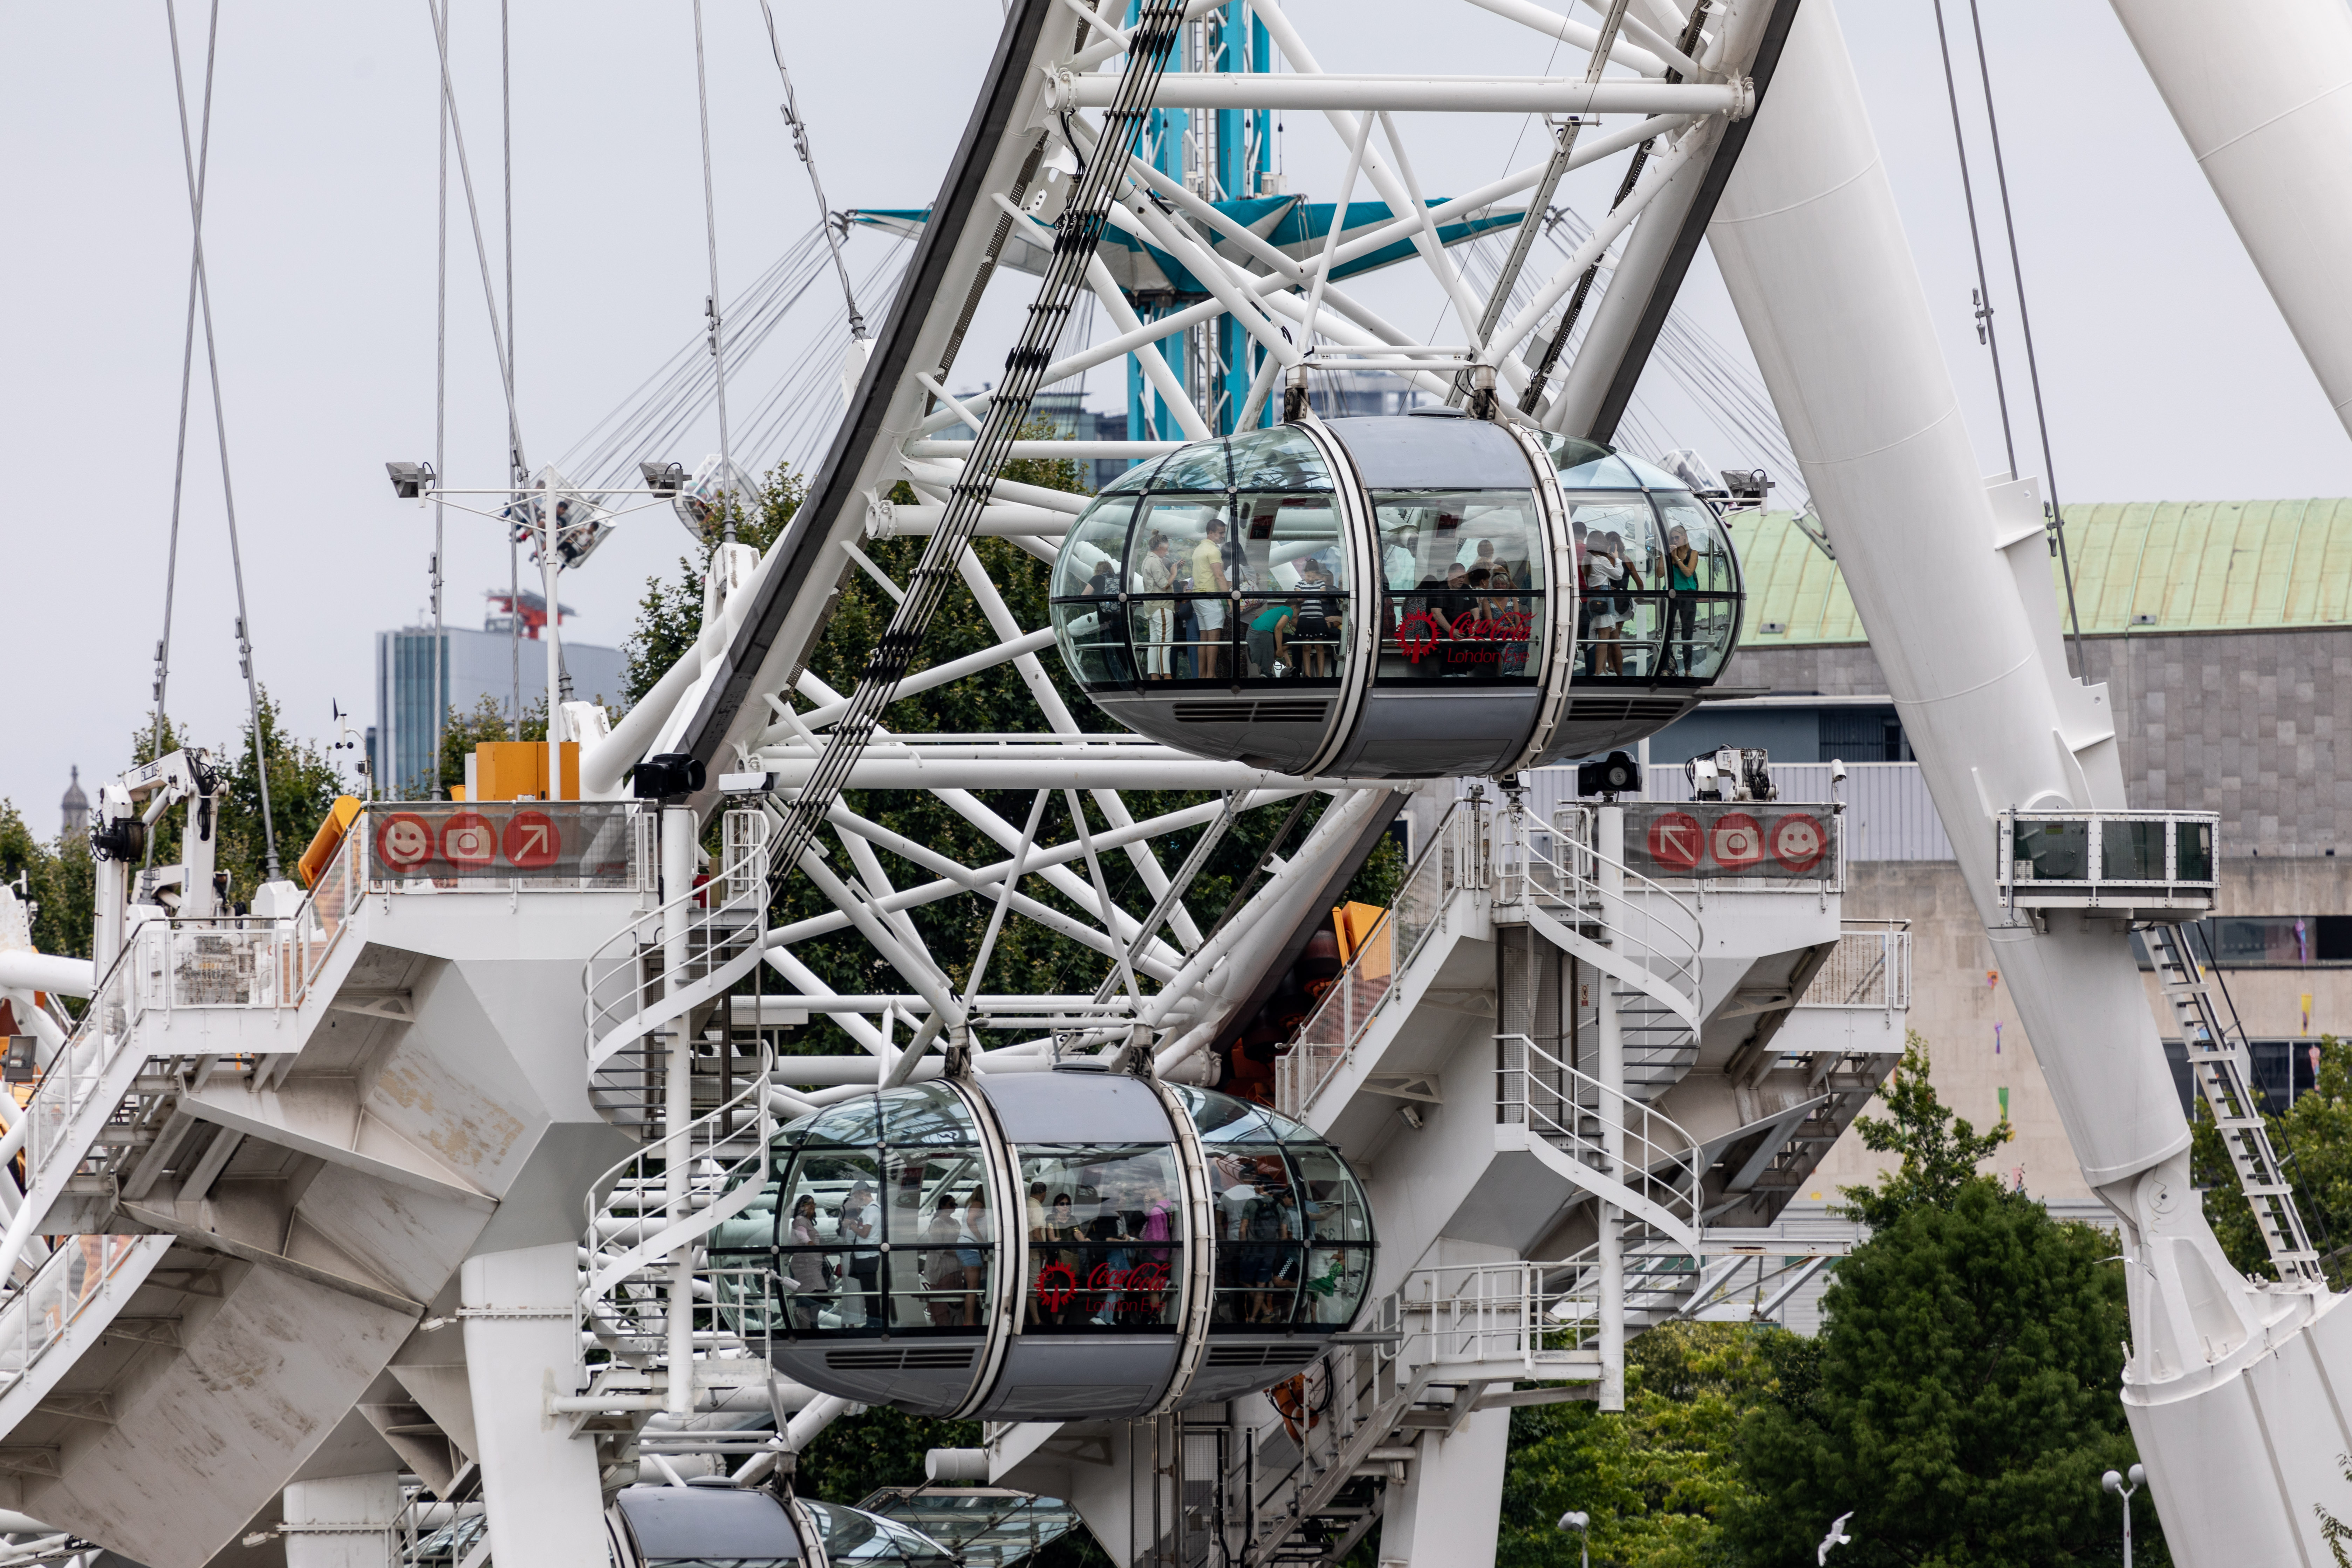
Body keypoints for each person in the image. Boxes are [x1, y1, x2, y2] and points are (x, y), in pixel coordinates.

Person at [1032, 1192, 1088, 1327]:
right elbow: (1050, 1232)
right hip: (1055, 1261)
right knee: (1055, 1290)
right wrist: (1053, 1240)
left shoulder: (1072, 1219)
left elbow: (1077, 1232)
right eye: (1062, 1204)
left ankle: (1060, 1322)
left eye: (1067, 1204)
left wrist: (1084, 1240)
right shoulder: (1051, 1218)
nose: (1065, 1206)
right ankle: (1053, 1319)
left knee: (1067, 1291)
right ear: (1056, 1206)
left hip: (1070, 1261)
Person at [1191, 519, 1232, 680]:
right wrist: (1229, 599)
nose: (1222, 536)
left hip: (1197, 597)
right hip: (1210, 598)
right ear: (1211, 533)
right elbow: (1219, 575)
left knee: (1204, 639)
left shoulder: (1199, 549)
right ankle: (1211, 675)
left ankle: (1202, 675)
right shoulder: (1214, 550)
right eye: (1220, 533)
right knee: (1214, 640)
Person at [1135, 532, 1176, 679]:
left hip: (1152, 607)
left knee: (1155, 642)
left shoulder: (1148, 560)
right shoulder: (1155, 561)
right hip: (1162, 606)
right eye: (1167, 548)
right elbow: (1164, 585)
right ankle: (1167, 676)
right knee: (1165, 642)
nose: (1167, 551)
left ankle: (1154, 675)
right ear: (1160, 547)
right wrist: (1174, 574)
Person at [840, 1182, 881, 1328]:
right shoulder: (873, 1209)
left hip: (866, 1257)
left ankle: (873, 1322)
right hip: (867, 1256)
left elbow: (864, 1234)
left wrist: (850, 1225)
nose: (855, 1200)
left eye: (855, 1196)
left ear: (861, 1194)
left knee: (869, 1292)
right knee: (869, 1291)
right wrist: (855, 1223)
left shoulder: (871, 1210)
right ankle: (873, 1321)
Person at [1585, 531, 1626, 676]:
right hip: (1604, 598)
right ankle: (1599, 673)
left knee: (1601, 637)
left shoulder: (1588, 560)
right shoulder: (1602, 560)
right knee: (1604, 639)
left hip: (1593, 598)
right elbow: (1618, 575)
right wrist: (1617, 559)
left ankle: (1603, 670)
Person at [786, 1194, 829, 1330]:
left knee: (813, 1294)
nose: (812, 1206)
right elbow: (804, 1239)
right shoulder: (800, 1221)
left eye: (813, 1204)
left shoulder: (807, 1221)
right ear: (801, 1206)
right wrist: (819, 1249)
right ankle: (809, 1327)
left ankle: (809, 1326)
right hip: (805, 1265)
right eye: (808, 1204)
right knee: (812, 1292)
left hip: (813, 1264)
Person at [922, 1195, 966, 1327]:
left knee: (956, 1302)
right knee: (943, 1304)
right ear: (943, 1206)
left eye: (955, 1205)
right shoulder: (937, 1223)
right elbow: (937, 1247)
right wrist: (956, 1252)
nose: (954, 1207)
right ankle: (943, 1328)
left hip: (956, 1267)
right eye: (951, 1204)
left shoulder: (956, 1222)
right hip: (942, 1268)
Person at [1663, 522, 1700, 675]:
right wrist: (1665, 556)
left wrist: (1677, 559)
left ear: (1685, 537)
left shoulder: (1693, 553)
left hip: (1687, 595)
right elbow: (1660, 574)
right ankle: (1666, 667)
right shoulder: (1669, 554)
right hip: (1670, 595)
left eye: (1677, 538)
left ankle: (1688, 670)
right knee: (1667, 632)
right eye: (1672, 539)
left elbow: (1688, 572)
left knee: (1687, 633)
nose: (1675, 541)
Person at [1292, 556, 1339, 677]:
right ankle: (1308, 675)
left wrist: (1311, 592)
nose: (1311, 579)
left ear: (1317, 575)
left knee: (1319, 646)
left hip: (1318, 618)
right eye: (1309, 576)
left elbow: (1323, 597)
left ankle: (1321, 676)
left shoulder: (1321, 583)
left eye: (1313, 577)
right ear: (1305, 573)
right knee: (1306, 647)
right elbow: (1300, 599)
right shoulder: (1299, 584)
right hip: (1305, 619)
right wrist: (1311, 594)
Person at [957, 1190, 990, 1327]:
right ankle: (969, 1322)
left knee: (973, 1287)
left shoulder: (971, 1205)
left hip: (968, 1247)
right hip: (970, 1247)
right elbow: (971, 1221)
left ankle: (969, 1320)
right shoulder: (978, 1204)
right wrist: (982, 1242)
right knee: (973, 1288)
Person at [1247, 600, 1295, 679]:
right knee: (1292, 638)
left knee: (1281, 641)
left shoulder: (1276, 613)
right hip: (1263, 635)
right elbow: (1278, 629)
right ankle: (1267, 670)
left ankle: (1266, 671)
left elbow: (1281, 640)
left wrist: (1288, 660)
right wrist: (1279, 650)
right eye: (1298, 614)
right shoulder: (1289, 610)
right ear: (1294, 607)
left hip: (1254, 636)